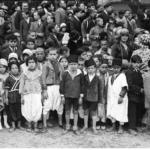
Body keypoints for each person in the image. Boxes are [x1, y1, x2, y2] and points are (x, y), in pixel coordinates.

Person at [60, 55, 84, 135]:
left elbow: (82, 85)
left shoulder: (80, 74)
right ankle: (67, 127)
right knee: (67, 111)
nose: (73, 66)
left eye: (75, 64)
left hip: (76, 96)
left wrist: (81, 96)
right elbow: (62, 85)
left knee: (75, 111)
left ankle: (75, 127)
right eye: (71, 64)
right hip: (67, 96)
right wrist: (62, 96)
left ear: (77, 65)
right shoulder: (65, 73)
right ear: (68, 65)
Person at [42, 47, 64, 133]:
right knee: (47, 104)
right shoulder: (45, 65)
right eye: (50, 54)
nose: (52, 56)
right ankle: (44, 124)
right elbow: (43, 78)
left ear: (57, 55)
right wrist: (44, 90)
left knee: (59, 104)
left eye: (54, 54)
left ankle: (60, 122)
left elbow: (63, 78)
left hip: (58, 87)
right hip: (49, 87)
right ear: (47, 56)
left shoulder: (60, 65)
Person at [19, 56, 42, 133]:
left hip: (37, 93)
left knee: (36, 108)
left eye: (33, 62)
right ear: (27, 64)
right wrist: (22, 96)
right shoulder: (24, 73)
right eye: (29, 62)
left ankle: (35, 125)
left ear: (36, 63)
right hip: (27, 93)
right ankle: (29, 125)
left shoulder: (39, 73)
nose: (31, 64)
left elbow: (42, 83)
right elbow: (21, 84)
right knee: (27, 108)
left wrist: (42, 94)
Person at [80, 58, 102, 135]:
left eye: (92, 68)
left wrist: (100, 101)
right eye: (88, 68)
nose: (90, 70)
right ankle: (85, 126)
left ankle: (94, 127)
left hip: (94, 98)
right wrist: (81, 95)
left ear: (95, 68)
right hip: (85, 97)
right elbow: (82, 86)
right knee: (85, 112)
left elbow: (100, 90)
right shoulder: (84, 77)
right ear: (86, 69)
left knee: (93, 113)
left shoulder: (98, 78)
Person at [107, 58, 128, 134]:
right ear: (112, 68)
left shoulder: (122, 76)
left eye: (118, 68)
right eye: (114, 68)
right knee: (113, 111)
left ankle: (120, 127)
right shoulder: (110, 77)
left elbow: (125, 87)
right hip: (112, 97)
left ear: (120, 68)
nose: (116, 69)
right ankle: (113, 126)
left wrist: (121, 97)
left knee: (120, 112)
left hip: (120, 98)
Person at [126, 55, 144, 136]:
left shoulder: (138, 71)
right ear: (131, 63)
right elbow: (129, 84)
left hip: (137, 95)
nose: (137, 64)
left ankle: (134, 126)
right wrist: (139, 89)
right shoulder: (129, 72)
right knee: (132, 111)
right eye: (135, 63)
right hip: (132, 95)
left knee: (136, 111)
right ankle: (130, 127)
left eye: (138, 63)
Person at [5, 61, 23, 132]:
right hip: (11, 96)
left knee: (19, 110)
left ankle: (19, 125)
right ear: (10, 69)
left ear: (19, 69)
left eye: (16, 68)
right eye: (12, 68)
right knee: (11, 110)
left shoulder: (22, 77)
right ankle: (13, 126)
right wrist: (6, 98)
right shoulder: (8, 78)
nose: (14, 69)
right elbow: (6, 89)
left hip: (19, 95)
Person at [0, 58, 10, 130]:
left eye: (4, 67)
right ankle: (0, 123)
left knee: (5, 109)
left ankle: (5, 122)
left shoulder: (8, 74)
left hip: (5, 94)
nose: (2, 69)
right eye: (0, 67)